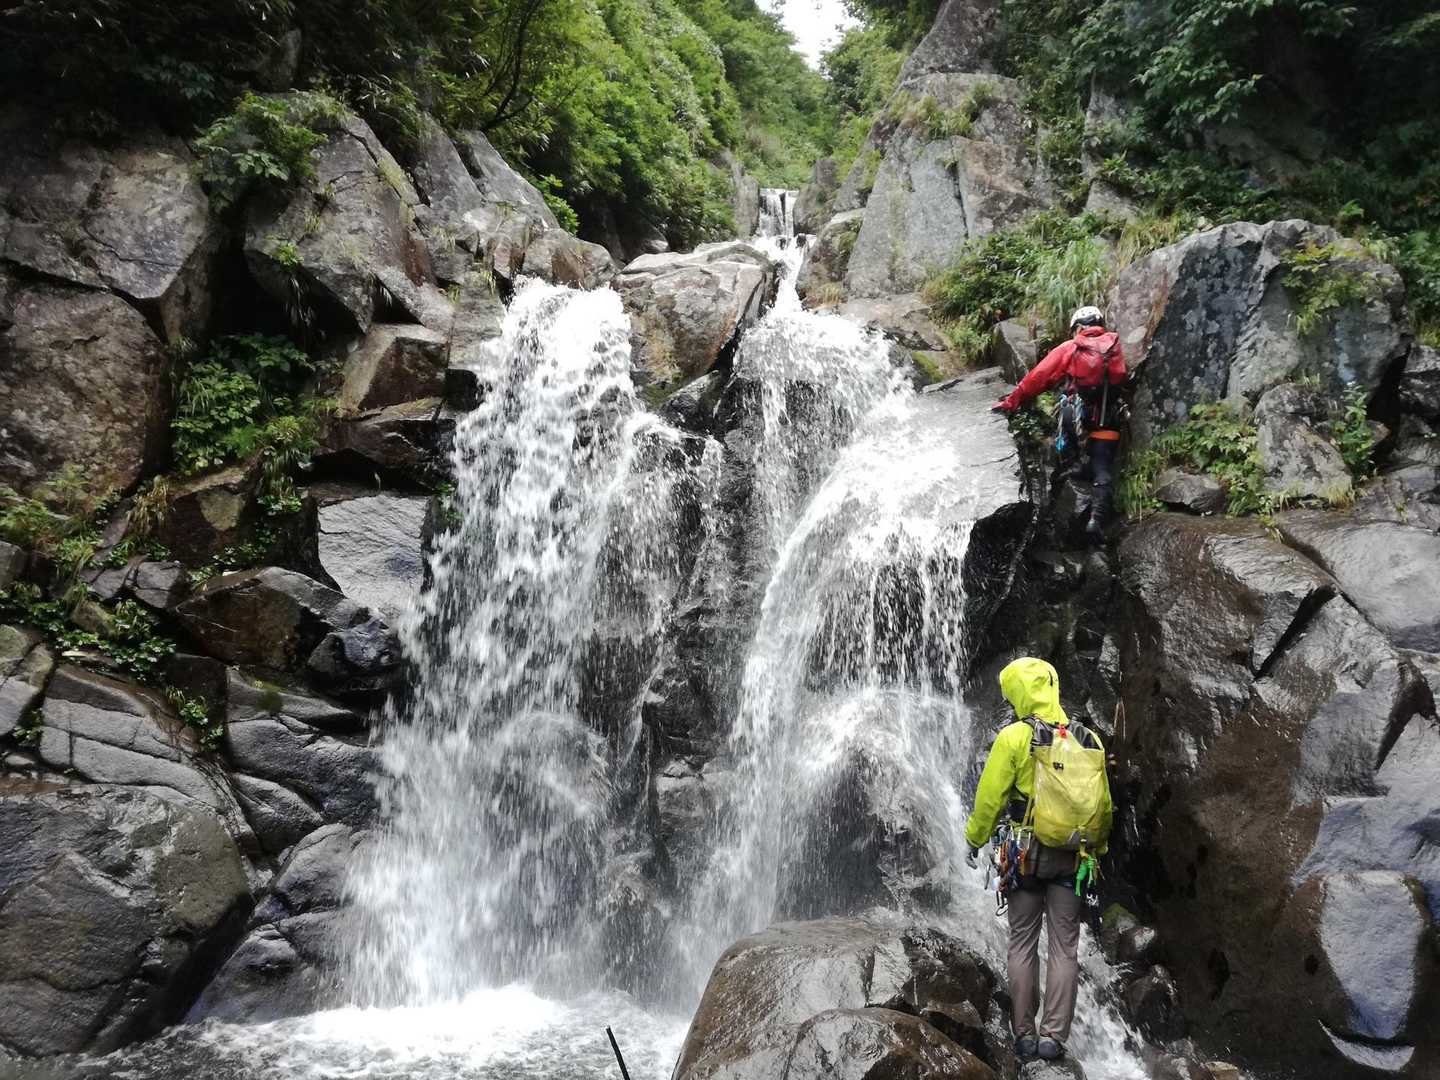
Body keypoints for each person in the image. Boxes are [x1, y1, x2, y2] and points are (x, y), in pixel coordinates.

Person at [963, 657, 1113, 1063]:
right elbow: (1104, 809)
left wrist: (974, 839)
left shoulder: (1015, 736)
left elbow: (990, 799)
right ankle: (1054, 1038)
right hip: (1073, 856)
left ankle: (1024, 1035)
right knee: (1065, 948)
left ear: (1019, 692)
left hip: (1025, 854)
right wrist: (1096, 852)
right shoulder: (1088, 739)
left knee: (1022, 942)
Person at [991, 306, 1128, 538]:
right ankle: (1095, 521)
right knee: (1103, 470)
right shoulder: (1115, 347)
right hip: (1109, 420)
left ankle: (1072, 462)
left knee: (1065, 404)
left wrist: (1012, 401)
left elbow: (1038, 377)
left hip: (1080, 418)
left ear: (1079, 328)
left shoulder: (1072, 347)